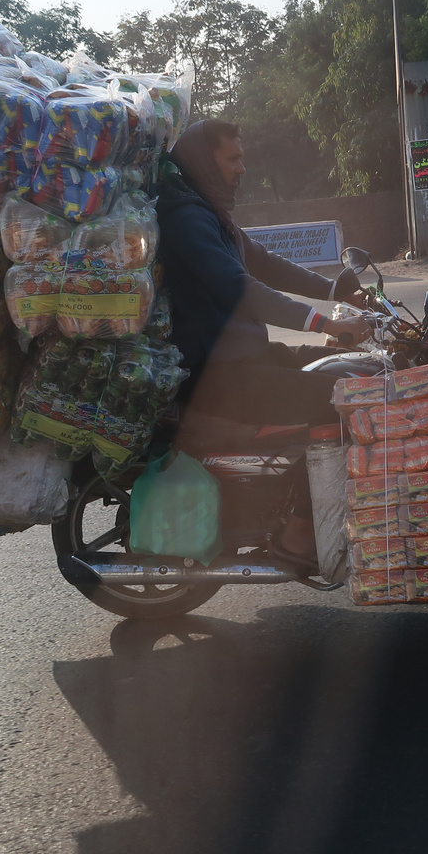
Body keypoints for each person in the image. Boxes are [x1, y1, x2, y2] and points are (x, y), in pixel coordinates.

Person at [158, 119, 369, 564]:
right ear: (203, 160)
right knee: (341, 400)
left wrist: (339, 290)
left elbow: (267, 264)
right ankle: (298, 532)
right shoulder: (186, 220)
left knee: (358, 369)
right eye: (232, 158)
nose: (241, 168)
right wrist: (323, 324)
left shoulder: (211, 213)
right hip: (220, 378)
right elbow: (240, 286)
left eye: (242, 158)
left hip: (247, 360)